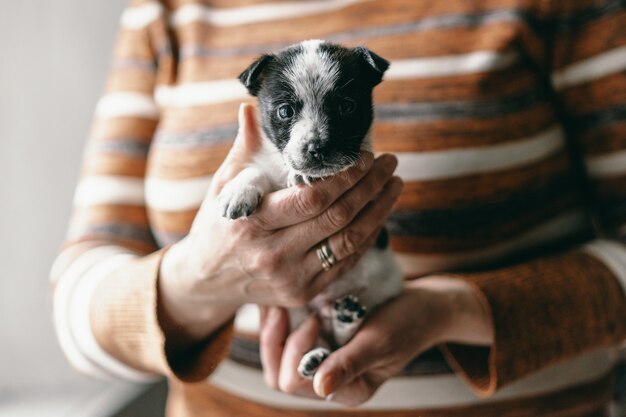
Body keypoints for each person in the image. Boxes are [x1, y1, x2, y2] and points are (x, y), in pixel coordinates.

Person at [50, 0, 626, 415]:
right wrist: (199, 281)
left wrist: (453, 312)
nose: (315, 137)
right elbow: (77, 304)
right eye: (288, 114)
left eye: (342, 108)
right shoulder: (164, 13)